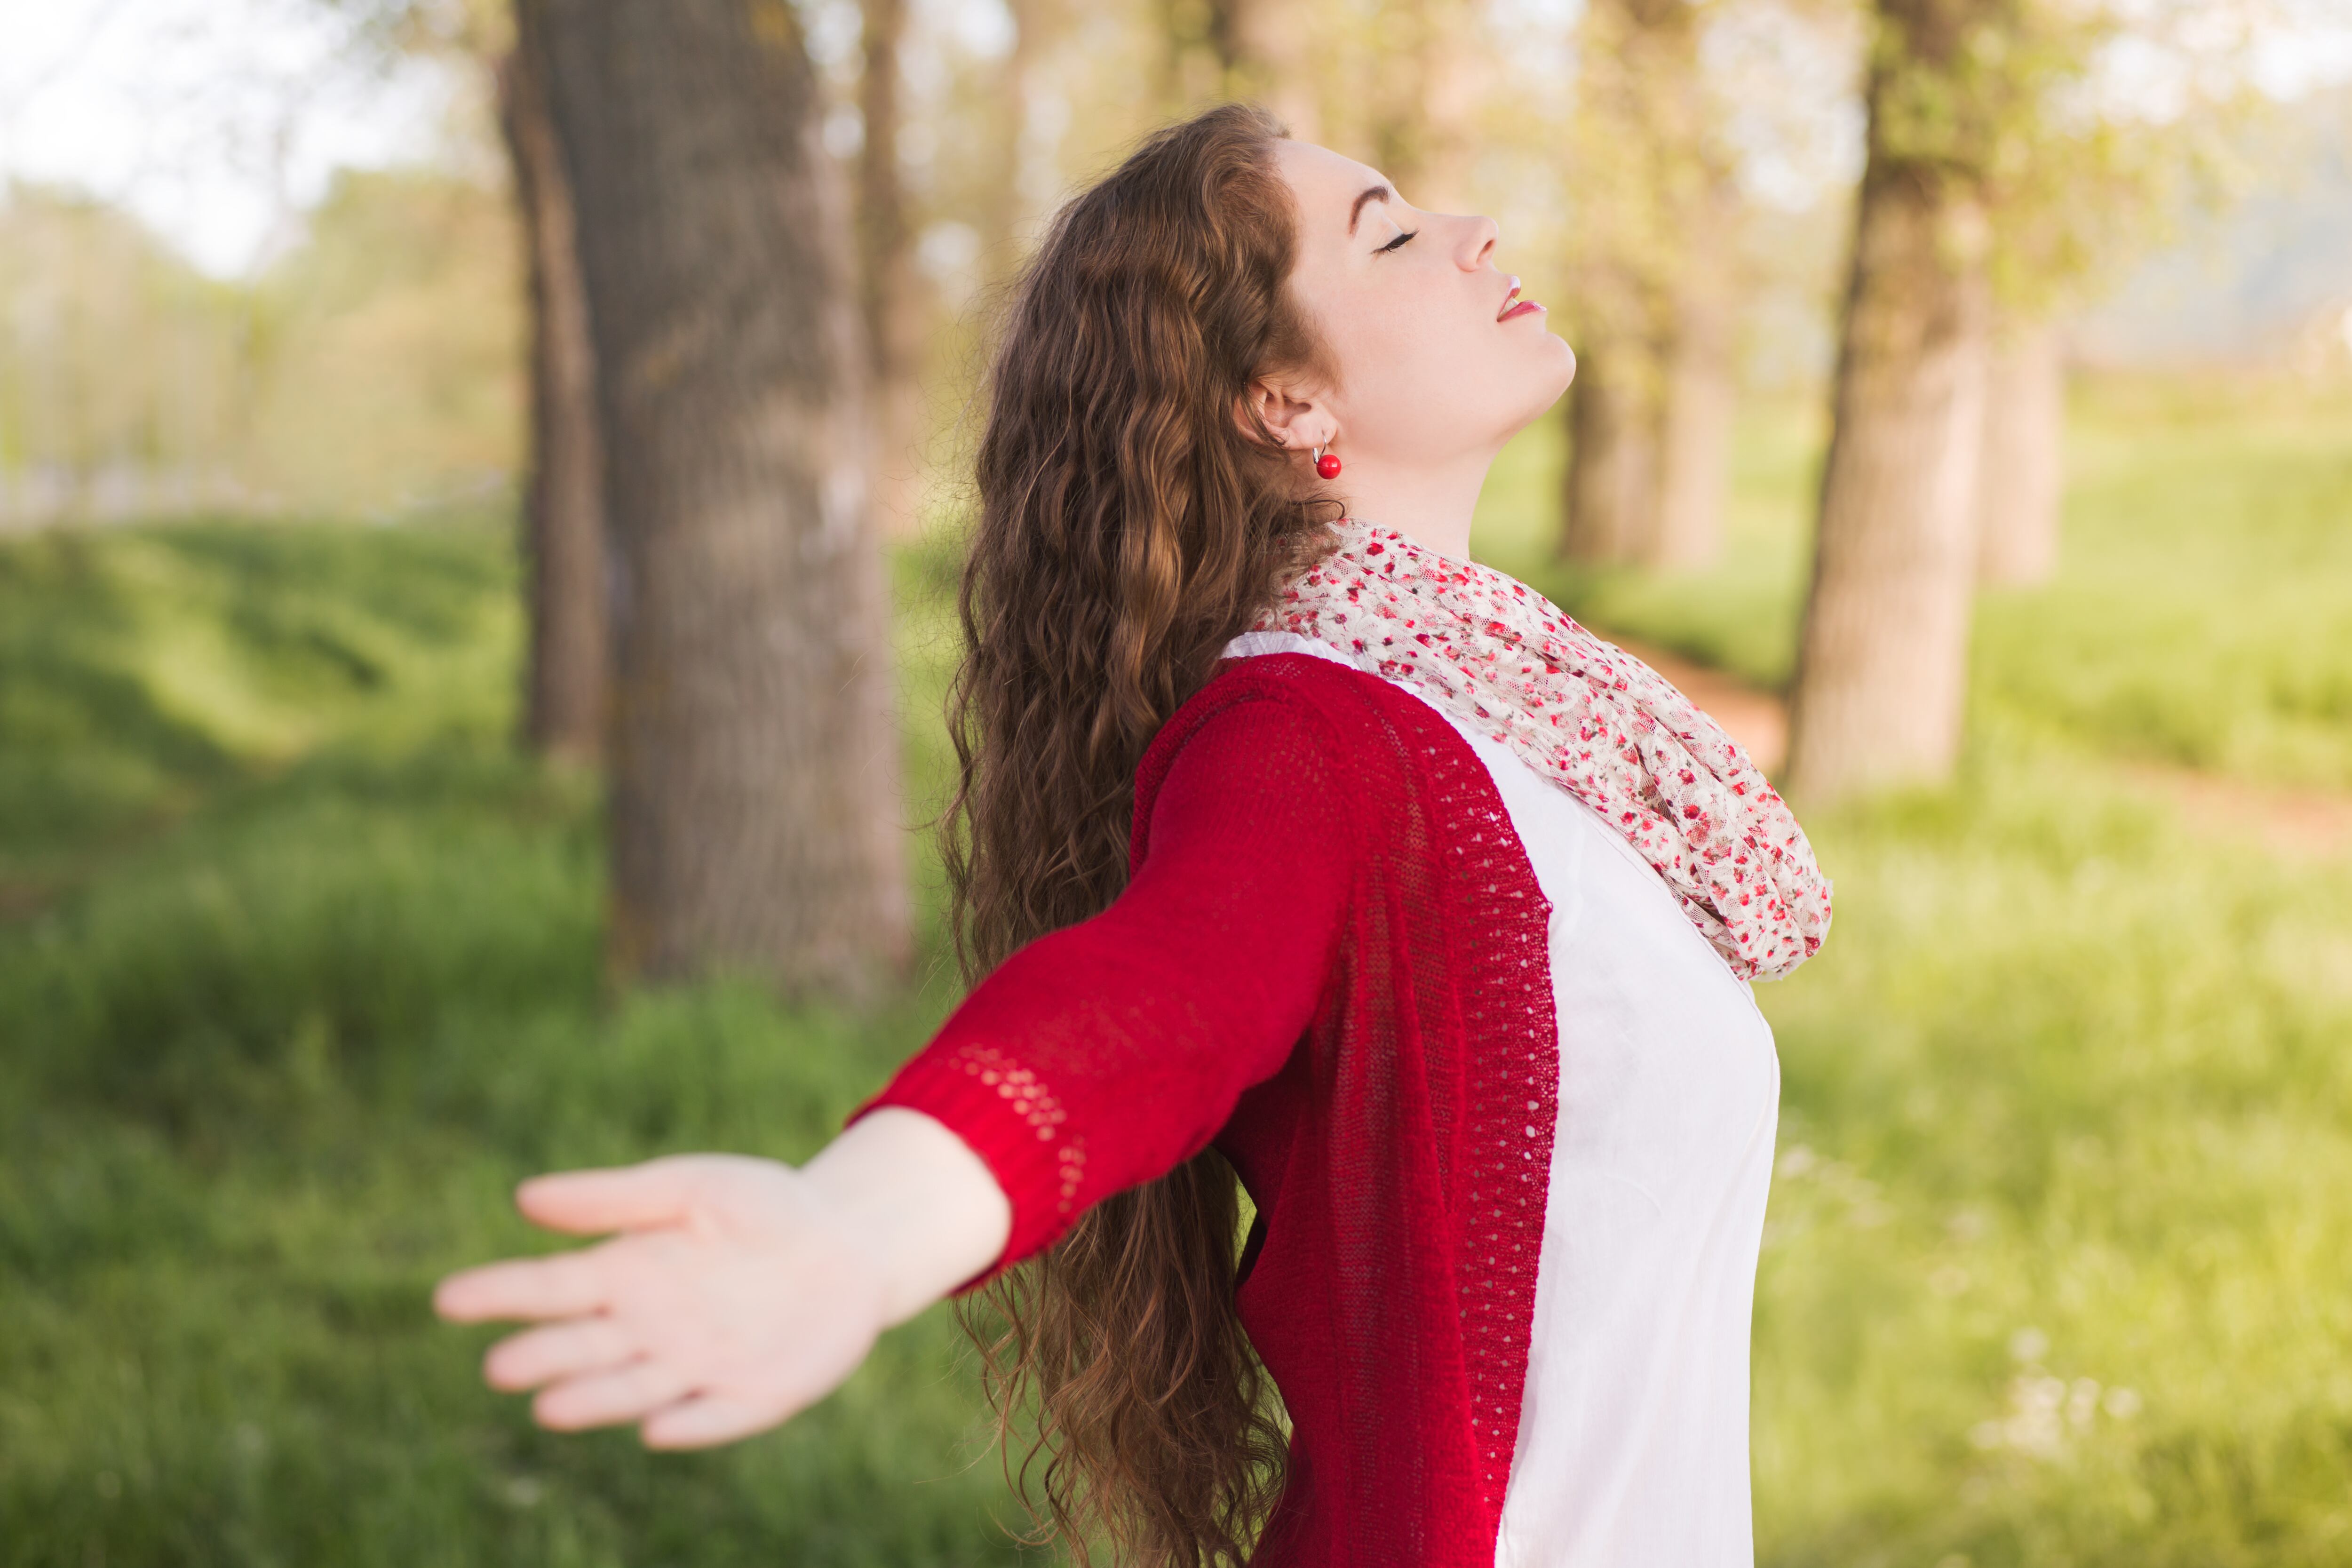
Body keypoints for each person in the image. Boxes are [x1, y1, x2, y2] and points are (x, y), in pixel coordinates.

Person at [436, 102, 1831, 1568]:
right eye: (1395, 236)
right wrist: (852, 1233)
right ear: (1286, 402)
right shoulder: (1311, 737)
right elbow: (1155, 1002)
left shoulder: (1519, 718)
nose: (1475, 230)